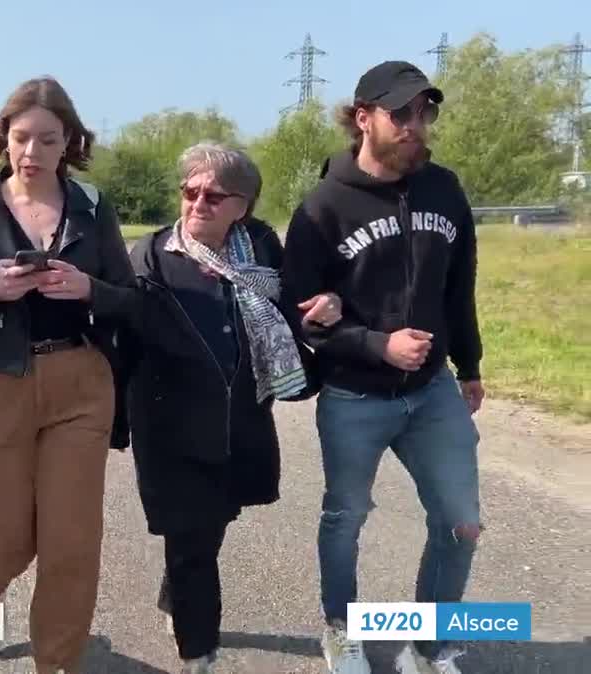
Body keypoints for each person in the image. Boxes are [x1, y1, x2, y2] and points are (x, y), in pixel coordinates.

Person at [282, 61, 484, 674]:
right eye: (401, 113)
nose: (414, 125)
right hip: (354, 397)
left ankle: (430, 644)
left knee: (461, 522)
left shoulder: (444, 189)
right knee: (346, 518)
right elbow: (300, 318)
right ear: (362, 116)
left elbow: (460, 286)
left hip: (433, 391)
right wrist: (376, 345)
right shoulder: (322, 209)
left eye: (424, 113)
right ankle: (341, 630)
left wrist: (470, 364)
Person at [0, 76, 134, 674]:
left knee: (71, 540)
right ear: (4, 139)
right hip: (0, 382)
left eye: (47, 139)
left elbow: (131, 299)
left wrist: (88, 289)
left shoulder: (94, 209)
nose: (31, 152)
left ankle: (58, 659)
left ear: (68, 141)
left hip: (80, 381)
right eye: (21, 138)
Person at [118, 143, 339, 674]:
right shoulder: (149, 255)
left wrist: (320, 317)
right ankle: (199, 653)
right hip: (171, 427)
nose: (198, 204)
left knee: (211, 525)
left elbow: (290, 313)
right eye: (189, 192)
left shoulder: (260, 248)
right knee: (192, 538)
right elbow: (121, 338)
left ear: (244, 204)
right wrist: (109, 420)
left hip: (239, 423)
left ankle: (177, 591)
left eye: (214, 196)